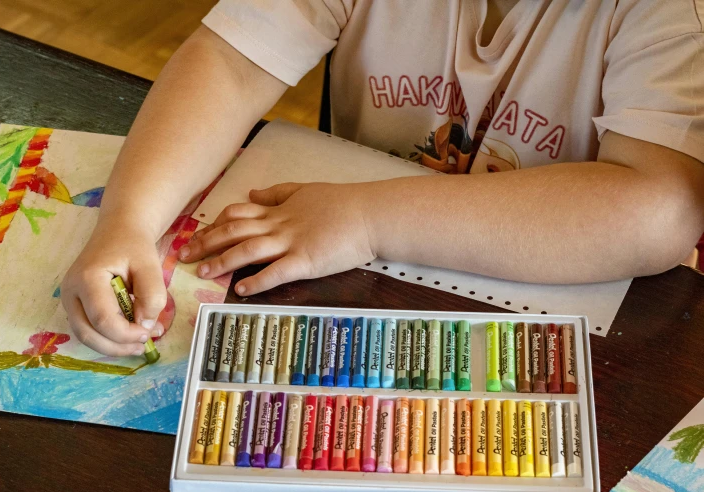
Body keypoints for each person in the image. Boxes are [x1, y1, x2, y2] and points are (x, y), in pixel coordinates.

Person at [61, 0, 704, 357]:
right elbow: (230, 62)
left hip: (540, 331)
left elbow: (661, 209)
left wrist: (368, 219)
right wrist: (128, 221)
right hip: (347, 294)